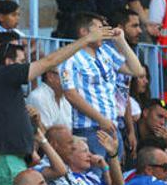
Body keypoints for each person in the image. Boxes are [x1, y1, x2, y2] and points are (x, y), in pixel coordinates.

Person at [0, 22, 120, 185]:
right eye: (21, 60)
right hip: (5, 161)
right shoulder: (3, 74)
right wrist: (86, 40)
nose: (27, 65)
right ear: (9, 63)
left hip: (13, 161)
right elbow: (48, 62)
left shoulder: (6, 90)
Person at [60, 11, 146, 156]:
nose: (104, 32)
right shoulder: (71, 57)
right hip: (89, 129)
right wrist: (100, 119)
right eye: (99, 28)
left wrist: (121, 41)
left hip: (112, 127)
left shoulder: (105, 51)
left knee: (115, 176)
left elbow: (137, 71)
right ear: (84, 32)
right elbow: (71, 94)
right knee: (96, 174)